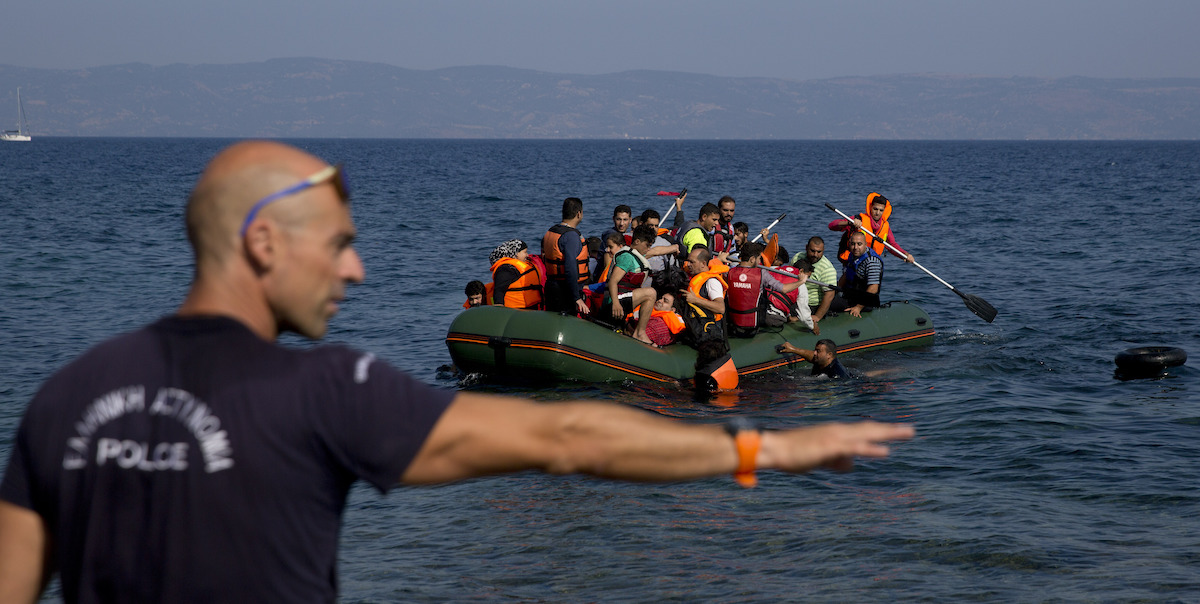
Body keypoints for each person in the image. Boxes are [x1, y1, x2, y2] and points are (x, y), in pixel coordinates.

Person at [0, 141, 914, 602]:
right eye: (339, 246)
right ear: (262, 242)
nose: (355, 270)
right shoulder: (322, 390)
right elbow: (567, 435)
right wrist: (760, 452)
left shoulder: (66, 398)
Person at [725, 242, 809, 338]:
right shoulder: (762, 273)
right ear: (752, 259)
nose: (760, 261)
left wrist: (719, 260)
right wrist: (801, 281)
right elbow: (784, 289)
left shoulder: (729, 272)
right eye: (759, 258)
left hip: (732, 326)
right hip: (751, 329)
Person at [604, 225, 660, 345]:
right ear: (637, 241)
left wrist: (674, 247)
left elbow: (658, 251)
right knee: (651, 293)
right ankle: (640, 334)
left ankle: (638, 332)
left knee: (651, 294)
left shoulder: (637, 256)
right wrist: (615, 303)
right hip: (613, 303)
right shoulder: (627, 258)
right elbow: (613, 282)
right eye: (647, 245)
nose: (649, 249)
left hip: (623, 299)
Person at [828, 192, 914, 264]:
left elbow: (892, 246)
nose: (877, 213)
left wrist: (905, 254)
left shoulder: (885, 226)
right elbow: (831, 226)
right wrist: (849, 223)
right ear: (870, 207)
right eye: (875, 209)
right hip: (853, 262)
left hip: (871, 263)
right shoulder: (859, 218)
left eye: (881, 210)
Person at [541, 197, 591, 315]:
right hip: (565, 292)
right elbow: (570, 268)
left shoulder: (551, 231)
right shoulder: (571, 236)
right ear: (579, 213)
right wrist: (576, 298)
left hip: (551, 286)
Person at [830, 231, 883, 318]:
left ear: (865, 244)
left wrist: (858, 307)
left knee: (829, 303)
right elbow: (846, 275)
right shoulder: (853, 255)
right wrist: (835, 291)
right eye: (853, 244)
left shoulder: (872, 261)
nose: (855, 247)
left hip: (865, 301)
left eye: (859, 244)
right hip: (850, 294)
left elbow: (873, 288)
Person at [792, 236, 838, 323]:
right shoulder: (797, 257)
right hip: (795, 299)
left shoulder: (827, 269)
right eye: (812, 251)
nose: (815, 255)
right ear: (806, 248)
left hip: (812, 304)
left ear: (823, 250)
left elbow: (829, 295)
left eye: (819, 252)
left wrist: (817, 316)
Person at [488, 239, 543, 309]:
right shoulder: (506, 269)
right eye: (525, 252)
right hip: (515, 311)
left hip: (530, 308)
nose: (527, 255)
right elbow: (499, 291)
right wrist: (499, 308)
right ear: (516, 253)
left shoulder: (522, 265)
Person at [682, 246, 728, 320]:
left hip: (709, 328)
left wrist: (695, 300)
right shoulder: (696, 276)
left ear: (703, 264)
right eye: (688, 261)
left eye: (692, 262)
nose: (688, 264)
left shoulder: (712, 282)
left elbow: (720, 308)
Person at [776, 339, 851, 379]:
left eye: (818, 351)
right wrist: (793, 349)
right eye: (815, 350)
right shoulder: (821, 360)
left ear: (829, 355)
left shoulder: (836, 374)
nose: (814, 353)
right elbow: (809, 355)